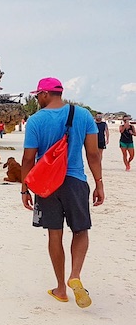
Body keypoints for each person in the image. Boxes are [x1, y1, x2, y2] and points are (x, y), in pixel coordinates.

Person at [21, 77, 104, 309]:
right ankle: (75, 275)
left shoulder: (35, 120)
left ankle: (60, 288)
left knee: (54, 235)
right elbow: (93, 154)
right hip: (75, 181)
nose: (37, 99)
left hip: (47, 185)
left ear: (46, 94)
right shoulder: (84, 115)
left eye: (38, 95)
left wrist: (24, 188)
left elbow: (28, 158)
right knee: (80, 230)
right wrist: (99, 182)